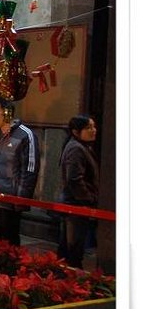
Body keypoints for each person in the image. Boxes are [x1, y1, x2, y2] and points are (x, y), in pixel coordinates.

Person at [0, 97, 40, 246]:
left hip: (10, 199)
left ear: (7, 113)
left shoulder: (25, 135)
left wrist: (20, 200)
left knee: (8, 242)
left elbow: (29, 170)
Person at [58, 115, 99, 269]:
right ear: (76, 132)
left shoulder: (82, 146)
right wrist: (89, 199)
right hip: (75, 204)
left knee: (71, 245)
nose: (93, 130)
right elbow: (74, 179)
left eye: (93, 126)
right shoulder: (76, 148)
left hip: (75, 203)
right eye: (88, 128)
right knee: (73, 248)